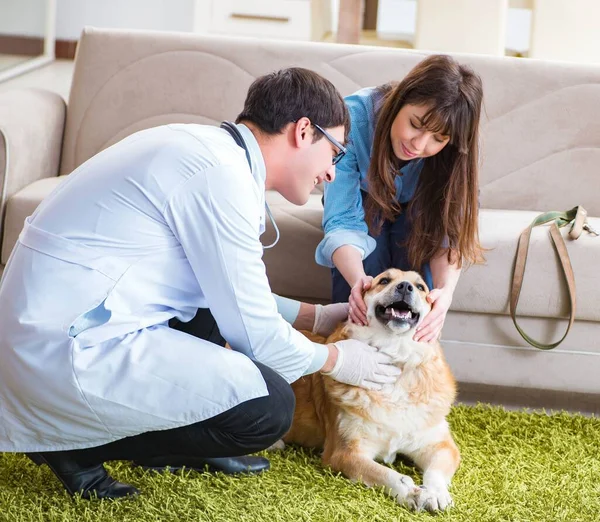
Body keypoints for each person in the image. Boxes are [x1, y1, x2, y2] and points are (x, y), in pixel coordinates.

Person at [0, 68, 402, 500]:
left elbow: (224, 292)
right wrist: (338, 359)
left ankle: (148, 436)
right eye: (335, 153)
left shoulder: (208, 152)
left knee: (216, 323)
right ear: (304, 131)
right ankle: (72, 445)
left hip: (57, 321)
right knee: (270, 408)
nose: (332, 173)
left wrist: (318, 316)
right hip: (65, 348)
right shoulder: (220, 179)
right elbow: (260, 338)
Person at [316, 55, 484, 343]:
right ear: (401, 100)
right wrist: (359, 283)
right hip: (363, 204)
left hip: (419, 210)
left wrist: (445, 294)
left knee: (414, 292)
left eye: (438, 139)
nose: (419, 145)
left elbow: (448, 234)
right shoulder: (353, 118)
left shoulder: (451, 158)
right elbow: (342, 219)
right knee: (367, 289)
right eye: (415, 124)